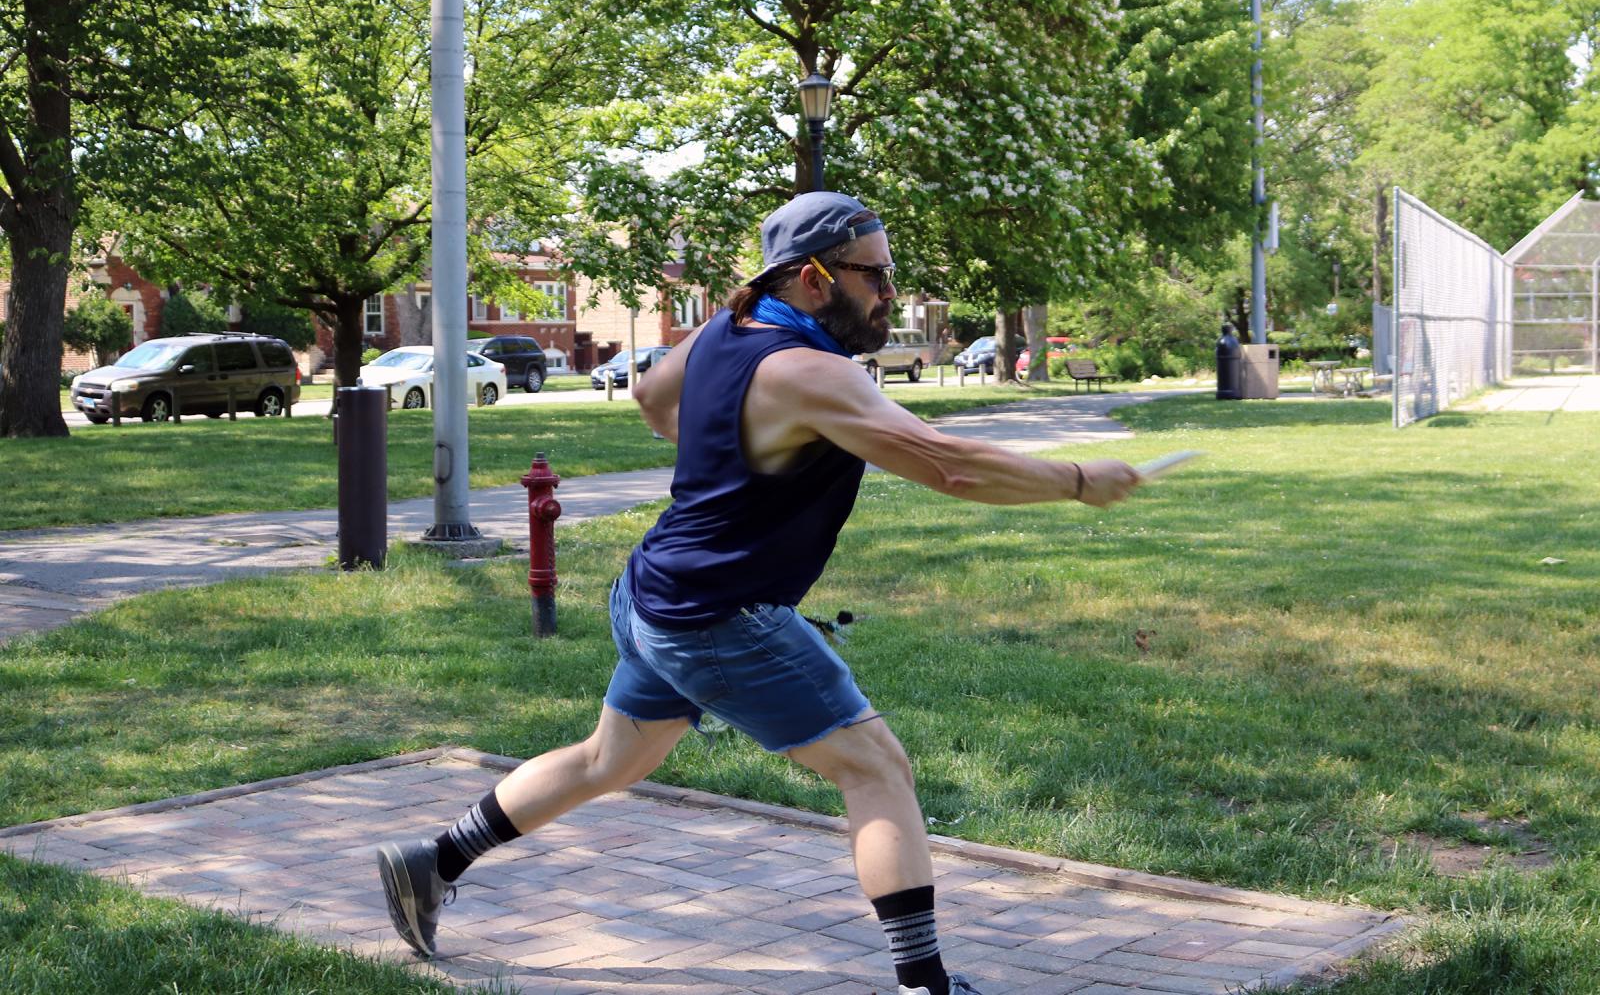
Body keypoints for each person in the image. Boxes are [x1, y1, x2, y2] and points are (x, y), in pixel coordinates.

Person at [376, 192, 1142, 995]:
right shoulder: (809, 371)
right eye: (876, 276)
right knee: (877, 770)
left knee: (610, 760)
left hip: (654, 594)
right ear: (814, 278)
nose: (890, 292)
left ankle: (433, 862)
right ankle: (929, 987)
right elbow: (945, 464)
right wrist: (1079, 480)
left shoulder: (725, 329)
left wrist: (733, 443)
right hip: (717, 617)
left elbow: (651, 398)